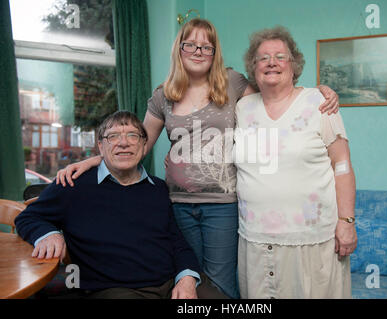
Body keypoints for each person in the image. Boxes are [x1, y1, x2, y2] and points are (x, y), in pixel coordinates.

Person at [55, 18, 340, 299]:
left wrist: (317, 93)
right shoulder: (163, 95)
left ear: (215, 53)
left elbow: (274, 97)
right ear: (179, 50)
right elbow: (139, 144)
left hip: (222, 206)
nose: (198, 52)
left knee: (220, 286)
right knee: (189, 277)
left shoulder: (232, 82)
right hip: (178, 204)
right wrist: (95, 161)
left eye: (207, 47)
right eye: (190, 45)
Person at [14, 111, 226, 299]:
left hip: (172, 282)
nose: (123, 143)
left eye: (132, 135)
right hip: (114, 289)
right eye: (113, 136)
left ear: (144, 145)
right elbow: (27, 217)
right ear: (101, 146)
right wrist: (50, 234)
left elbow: (177, 242)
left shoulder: (158, 188)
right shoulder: (74, 185)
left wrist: (187, 278)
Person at [234, 26, 357, 298]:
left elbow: (342, 165)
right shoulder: (243, 107)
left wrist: (346, 221)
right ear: (253, 67)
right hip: (255, 240)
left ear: (294, 64)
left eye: (280, 56)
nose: (271, 62)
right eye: (263, 58)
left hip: (311, 241)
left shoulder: (319, 103)